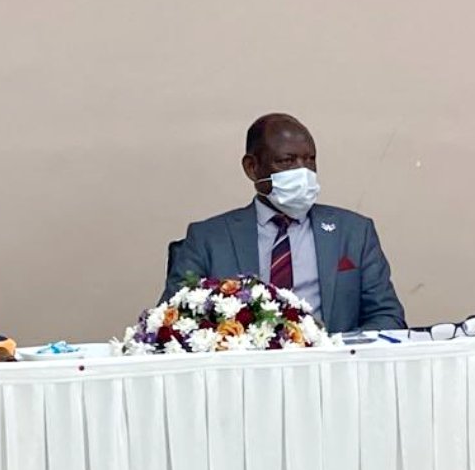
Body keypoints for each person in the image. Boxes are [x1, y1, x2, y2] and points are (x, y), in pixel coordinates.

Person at [162, 113, 406, 333]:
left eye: (310, 160)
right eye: (287, 161)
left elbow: (386, 316)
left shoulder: (354, 232)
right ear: (252, 167)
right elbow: (173, 323)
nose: (303, 171)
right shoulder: (208, 238)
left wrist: (337, 351)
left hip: (332, 370)